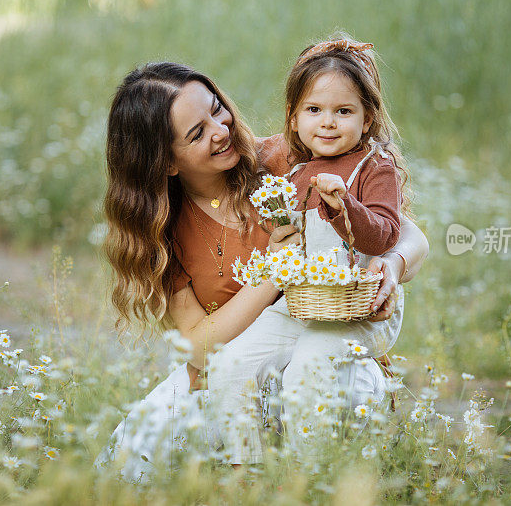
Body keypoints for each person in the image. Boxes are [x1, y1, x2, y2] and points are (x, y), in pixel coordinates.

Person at [94, 62, 429, 480]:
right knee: (131, 460)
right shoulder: (162, 232)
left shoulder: (281, 158)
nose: (221, 130)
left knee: (316, 396)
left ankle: (314, 483)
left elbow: (408, 234)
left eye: (218, 110)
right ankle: (244, 482)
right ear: (166, 163)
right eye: (197, 133)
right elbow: (199, 349)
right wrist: (274, 271)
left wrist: (392, 267)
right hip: (237, 369)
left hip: (324, 351)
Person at [208, 37, 413, 464]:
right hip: (302, 304)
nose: (328, 123)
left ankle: (309, 475)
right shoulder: (293, 169)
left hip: (359, 307)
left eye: (344, 111)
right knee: (230, 364)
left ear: (367, 117)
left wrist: (345, 208)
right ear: (294, 117)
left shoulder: (374, 167)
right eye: (314, 110)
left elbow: (384, 237)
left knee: (309, 367)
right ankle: (243, 468)